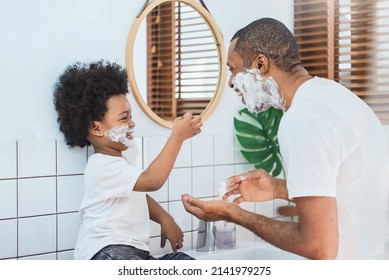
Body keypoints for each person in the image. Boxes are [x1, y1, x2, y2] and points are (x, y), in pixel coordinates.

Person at [182, 17, 389, 259]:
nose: (230, 83)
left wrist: (232, 214)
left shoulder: (303, 118)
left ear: (260, 64)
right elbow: (350, 188)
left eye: (233, 69)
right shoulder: (335, 97)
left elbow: (318, 246)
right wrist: (279, 188)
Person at [53, 60, 202, 260]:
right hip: (106, 252)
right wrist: (177, 137)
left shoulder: (119, 163)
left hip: (132, 252)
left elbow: (137, 195)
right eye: (124, 118)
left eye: (130, 116)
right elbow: (152, 180)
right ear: (96, 128)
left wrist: (164, 218)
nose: (132, 123)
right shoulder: (101, 166)